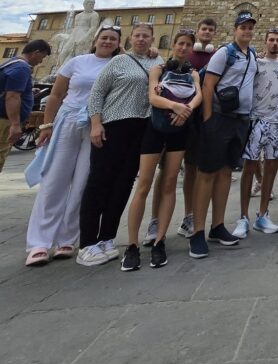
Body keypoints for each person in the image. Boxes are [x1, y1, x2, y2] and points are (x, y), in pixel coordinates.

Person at [25, 28, 120, 266]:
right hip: (68, 121)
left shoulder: (118, 64)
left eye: (113, 39)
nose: (107, 41)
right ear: (95, 40)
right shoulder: (77, 62)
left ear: (119, 44)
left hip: (97, 126)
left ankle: (67, 238)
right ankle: (39, 243)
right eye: (104, 37)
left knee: (82, 184)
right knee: (54, 180)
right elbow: (56, 95)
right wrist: (47, 124)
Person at [77, 24, 163, 267]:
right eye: (137, 35)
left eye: (146, 36)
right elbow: (96, 94)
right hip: (113, 126)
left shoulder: (157, 62)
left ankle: (107, 238)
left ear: (152, 40)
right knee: (98, 182)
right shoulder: (118, 62)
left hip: (142, 129)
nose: (142, 39)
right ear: (130, 39)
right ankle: (86, 244)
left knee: (123, 184)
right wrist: (96, 123)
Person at [122, 30, 202, 271]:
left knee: (169, 183)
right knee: (144, 184)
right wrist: (176, 106)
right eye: (180, 43)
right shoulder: (158, 68)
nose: (184, 47)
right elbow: (152, 97)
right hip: (155, 129)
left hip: (180, 130)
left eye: (188, 45)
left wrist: (186, 110)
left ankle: (159, 241)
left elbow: (198, 95)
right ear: (173, 45)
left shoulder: (193, 72)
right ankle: (132, 245)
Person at [189, 12, 257, 258]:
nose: (247, 31)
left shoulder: (251, 55)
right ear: (235, 30)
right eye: (243, 27)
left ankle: (217, 226)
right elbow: (208, 86)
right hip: (219, 119)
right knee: (206, 174)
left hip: (240, 120)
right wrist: (208, 119)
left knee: (226, 172)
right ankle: (197, 231)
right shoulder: (224, 53)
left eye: (250, 27)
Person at [145, 18, 218, 245]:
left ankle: (189, 217)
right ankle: (155, 220)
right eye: (203, 29)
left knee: (192, 171)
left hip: (192, 122)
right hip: (167, 122)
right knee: (165, 173)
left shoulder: (215, 57)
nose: (184, 47)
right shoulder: (164, 63)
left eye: (210, 30)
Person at [233, 28, 278, 238]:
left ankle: (263, 215)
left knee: (272, 168)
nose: (274, 43)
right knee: (249, 166)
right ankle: (243, 217)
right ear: (265, 42)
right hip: (256, 121)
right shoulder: (255, 62)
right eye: (271, 40)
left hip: (277, 122)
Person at [0, 39, 51, 173]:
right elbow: (12, 96)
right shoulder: (22, 68)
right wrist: (15, 124)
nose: (41, 61)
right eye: (43, 57)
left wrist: (28, 92)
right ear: (36, 53)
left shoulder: (12, 62)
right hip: (4, 121)